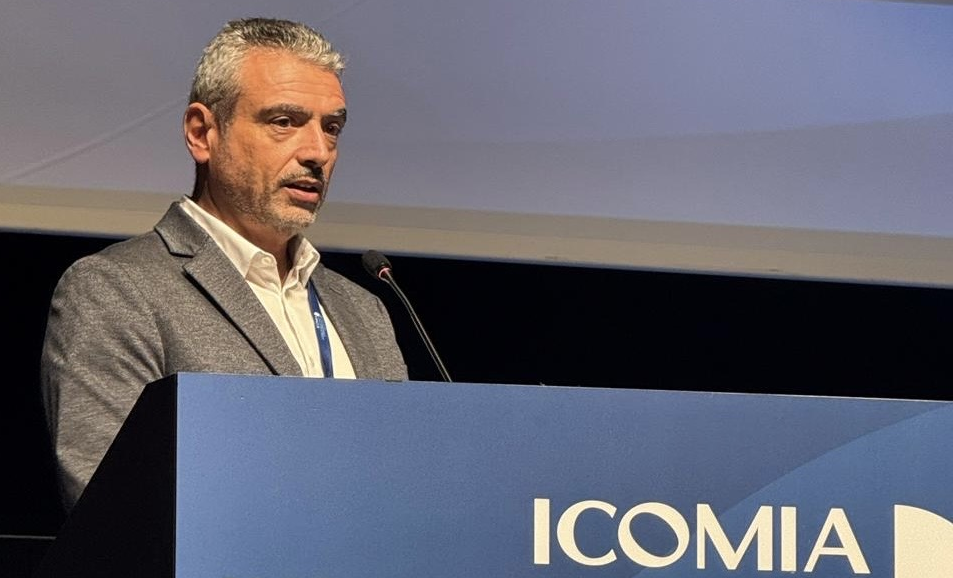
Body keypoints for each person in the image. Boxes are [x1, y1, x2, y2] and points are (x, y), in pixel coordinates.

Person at [40, 18, 407, 511]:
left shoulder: (364, 311)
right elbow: (119, 515)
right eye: (284, 121)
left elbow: (407, 486)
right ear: (202, 134)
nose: (318, 152)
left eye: (331, 128)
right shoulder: (116, 291)